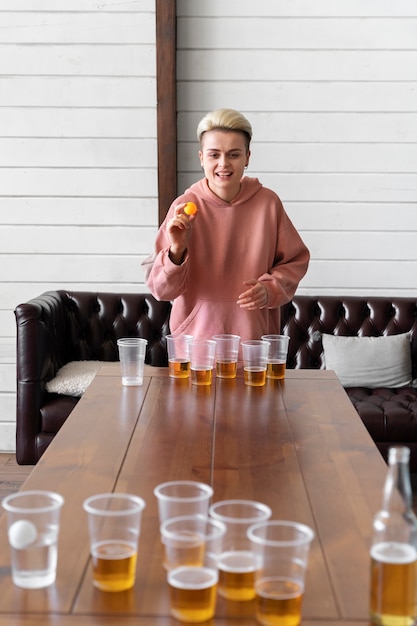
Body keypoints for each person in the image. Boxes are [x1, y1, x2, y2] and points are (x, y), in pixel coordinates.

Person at [142, 108, 310, 342]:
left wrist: (269, 289)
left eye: (233, 154)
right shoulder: (184, 207)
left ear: (247, 157)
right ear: (201, 158)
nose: (224, 164)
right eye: (214, 155)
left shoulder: (268, 204)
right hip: (194, 350)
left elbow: (296, 260)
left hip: (254, 347)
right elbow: (161, 290)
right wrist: (176, 251)